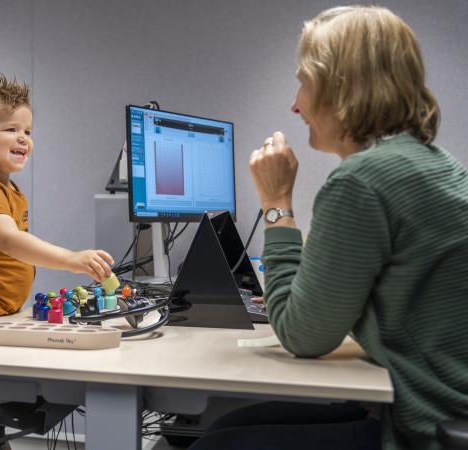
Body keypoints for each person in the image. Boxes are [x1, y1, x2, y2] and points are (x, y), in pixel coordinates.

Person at [190, 6, 468, 450]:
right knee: (221, 428)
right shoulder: (431, 162)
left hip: (423, 425)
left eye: (304, 81)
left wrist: (277, 202)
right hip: (428, 399)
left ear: (341, 88)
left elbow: (302, 336)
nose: (296, 104)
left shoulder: (363, 181)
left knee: (213, 445)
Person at [0, 74, 115, 320]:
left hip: (0, 309)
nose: (23, 138)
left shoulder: (9, 189)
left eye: (27, 131)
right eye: (10, 129)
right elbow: (8, 240)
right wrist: (70, 259)